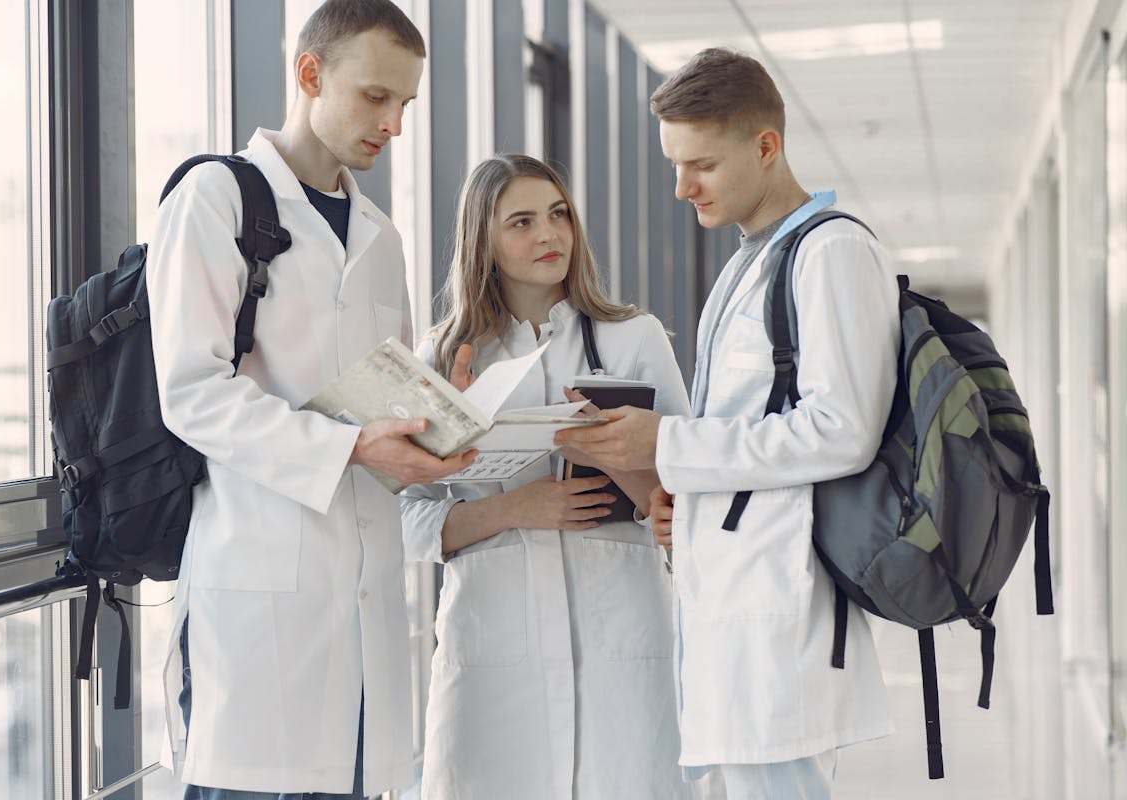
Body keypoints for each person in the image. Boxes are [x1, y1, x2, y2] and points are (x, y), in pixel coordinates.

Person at [147, 2, 474, 797]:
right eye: (375, 96)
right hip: (256, 592)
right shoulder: (216, 200)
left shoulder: (381, 236)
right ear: (309, 74)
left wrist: (435, 417)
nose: (393, 123)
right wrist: (353, 447)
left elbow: (377, 395)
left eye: (406, 104)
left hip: (364, 602)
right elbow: (192, 394)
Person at [555, 48, 899, 798]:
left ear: (766, 146)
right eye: (675, 164)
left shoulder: (831, 251)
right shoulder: (750, 262)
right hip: (738, 605)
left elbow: (844, 427)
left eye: (701, 164)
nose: (681, 188)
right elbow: (752, 432)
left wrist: (670, 445)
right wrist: (692, 503)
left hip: (779, 614)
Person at [400, 154, 698, 800]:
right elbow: (403, 516)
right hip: (493, 658)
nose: (550, 235)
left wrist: (618, 454)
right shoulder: (444, 357)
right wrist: (514, 509)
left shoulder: (635, 339)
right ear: (483, 239)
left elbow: (690, 487)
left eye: (559, 215)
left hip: (621, 651)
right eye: (523, 222)